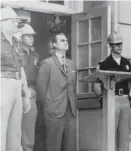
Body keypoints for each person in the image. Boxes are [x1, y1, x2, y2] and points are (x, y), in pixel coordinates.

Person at [36, 33, 77, 151]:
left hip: (70, 110)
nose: (66, 42)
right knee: (53, 146)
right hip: (54, 111)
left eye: (67, 40)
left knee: (70, 146)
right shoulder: (47, 63)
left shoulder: (71, 63)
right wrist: (49, 106)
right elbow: (41, 90)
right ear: (54, 44)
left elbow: (72, 86)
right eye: (62, 40)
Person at [94, 31, 131, 151]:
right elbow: (97, 86)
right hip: (111, 99)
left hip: (125, 99)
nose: (120, 46)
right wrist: (102, 101)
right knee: (110, 135)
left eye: (121, 43)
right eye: (116, 44)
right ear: (110, 46)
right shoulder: (104, 64)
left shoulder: (127, 63)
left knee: (124, 136)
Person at [1, 7, 31, 151]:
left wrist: (25, 93)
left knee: (15, 131)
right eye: (14, 21)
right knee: (1, 128)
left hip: (16, 84)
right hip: (3, 84)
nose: (16, 25)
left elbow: (21, 69)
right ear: (4, 22)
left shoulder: (17, 44)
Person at [15, 24, 39, 151]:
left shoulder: (35, 55)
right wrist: (24, 89)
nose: (31, 38)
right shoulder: (17, 53)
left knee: (29, 129)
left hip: (31, 93)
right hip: (17, 91)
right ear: (21, 37)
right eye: (28, 36)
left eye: (32, 36)